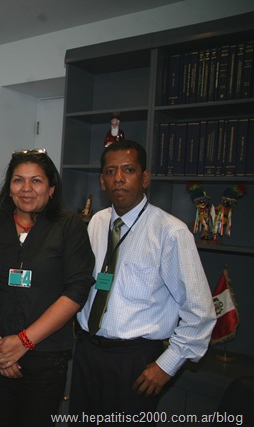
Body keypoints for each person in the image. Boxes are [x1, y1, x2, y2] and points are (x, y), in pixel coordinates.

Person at [70, 139, 216, 420]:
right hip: (88, 352)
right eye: (110, 171)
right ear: (102, 181)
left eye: (128, 170)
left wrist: (167, 365)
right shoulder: (96, 222)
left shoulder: (170, 232)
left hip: (135, 360)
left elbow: (200, 311)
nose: (119, 178)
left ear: (145, 178)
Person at [0, 149, 95, 427]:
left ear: (51, 188)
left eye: (36, 181)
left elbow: (77, 290)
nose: (26, 189)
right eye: (18, 180)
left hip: (46, 356)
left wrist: (23, 342)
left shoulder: (69, 226)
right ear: (9, 187)